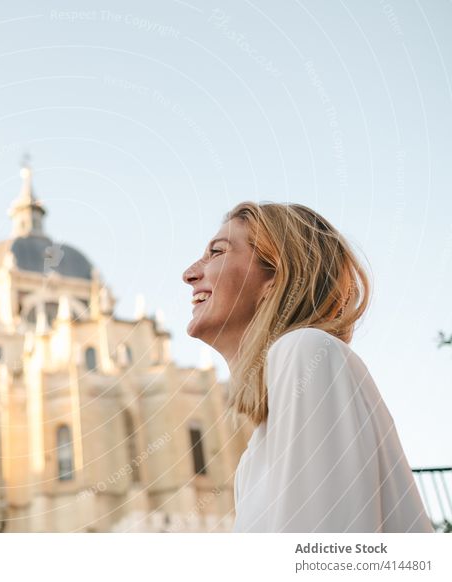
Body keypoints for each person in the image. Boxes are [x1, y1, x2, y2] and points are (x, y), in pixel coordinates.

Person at [182, 201, 432, 533]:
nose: (189, 274)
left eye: (217, 252)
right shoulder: (254, 455)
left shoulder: (305, 351)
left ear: (277, 276)